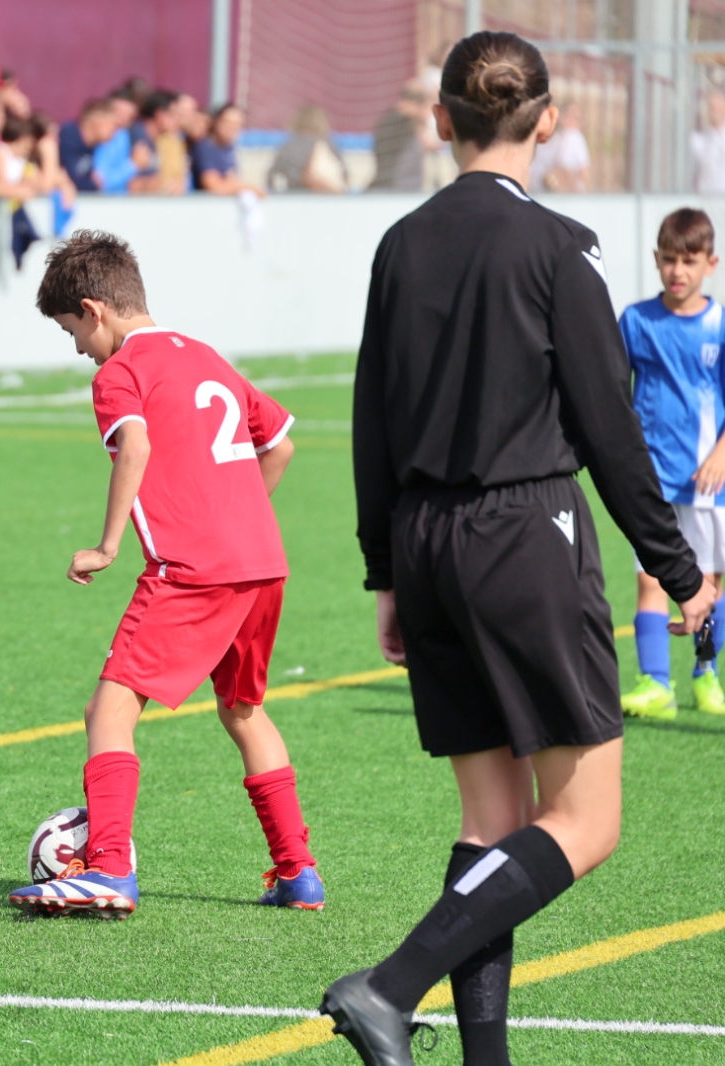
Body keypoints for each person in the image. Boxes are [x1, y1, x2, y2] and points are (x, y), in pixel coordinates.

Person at [329, 32, 713, 1066]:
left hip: (425, 539)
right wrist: (680, 570)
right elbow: (607, 427)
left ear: (440, 121)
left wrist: (385, 571)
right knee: (586, 822)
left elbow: (371, 419)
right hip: (522, 535)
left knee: (491, 824)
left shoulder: (401, 243)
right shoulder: (559, 244)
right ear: (548, 121)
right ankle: (386, 988)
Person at [8, 231, 321, 917]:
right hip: (260, 564)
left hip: (193, 569)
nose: (79, 349)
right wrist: (234, 517)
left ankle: (108, 867)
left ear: (93, 310)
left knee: (109, 710)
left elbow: (136, 446)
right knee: (243, 711)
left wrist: (107, 545)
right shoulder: (205, 355)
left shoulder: (119, 373)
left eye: (71, 332)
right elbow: (281, 446)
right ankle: (298, 871)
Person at [617, 209, 725, 719]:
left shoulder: (719, 324)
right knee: (651, 579)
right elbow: (613, 392)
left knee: (708, 583)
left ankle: (706, 675)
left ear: (710, 264)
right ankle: (655, 684)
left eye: (689, 260)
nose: (677, 271)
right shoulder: (636, 321)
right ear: (655, 260)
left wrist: (721, 453)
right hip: (652, 479)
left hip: (706, 481)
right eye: (668, 260)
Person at [267, 103, 348, 193]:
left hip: (295, 196)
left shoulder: (288, 146)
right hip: (328, 197)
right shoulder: (329, 145)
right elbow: (344, 176)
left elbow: (272, 177)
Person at [369, 81, 434, 192]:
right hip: (393, 190)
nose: (429, 115)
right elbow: (406, 112)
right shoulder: (396, 121)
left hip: (403, 190)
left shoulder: (408, 126)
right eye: (428, 108)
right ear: (414, 105)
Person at [193, 104, 260, 195]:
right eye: (228, 122)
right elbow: (214, 187)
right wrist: (246, 188)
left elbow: (232, 180)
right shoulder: (206, 147)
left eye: (237, 124)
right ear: (217, 121)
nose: (232, 127)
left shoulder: (229, 148)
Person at [57, 98, 120, 193]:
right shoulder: (68, 138)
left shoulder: (94, 147)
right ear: (97, 124)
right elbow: (73, 180)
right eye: (112, 125)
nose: (115, 131)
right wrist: (93, 184)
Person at [529, 100, 589, 192]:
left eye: (578, 118)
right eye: (573, 117)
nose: (577, 122)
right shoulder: (572, 136)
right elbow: (571, 171)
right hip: (563, 195)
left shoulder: (546, 140)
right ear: (561, 117)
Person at [694, 92, 725, 195]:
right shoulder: (698, 139)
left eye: (719, 108)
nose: (715, 113)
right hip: (705, 196)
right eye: (712, 109)